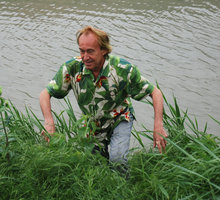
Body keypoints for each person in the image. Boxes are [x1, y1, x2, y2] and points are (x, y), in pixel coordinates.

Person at [39, 25, 168, 165]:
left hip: (119, 118)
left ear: (104, 50)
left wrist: (158, 126)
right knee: (96, 166)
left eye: (90, 51)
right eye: (82, 51)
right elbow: (45, 93)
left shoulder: (121, 69)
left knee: (118, 159)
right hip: (92, 124)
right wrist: (48, 121)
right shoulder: (72, 68)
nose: (85, 57)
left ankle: (123, 184)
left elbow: (155, 93)